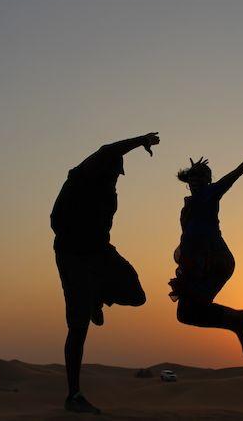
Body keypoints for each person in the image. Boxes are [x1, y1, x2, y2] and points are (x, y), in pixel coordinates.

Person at [51, 132, 160, 414]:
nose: (115, 176)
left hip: (100, 252)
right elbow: (107, 148)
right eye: (113, 170)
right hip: (72, 256)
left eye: (117, 173)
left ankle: (96, 298)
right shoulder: (86, 175)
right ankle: (73, 395)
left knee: (137, 295)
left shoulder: (108, 191)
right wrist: (141, 140)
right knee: (78, 328)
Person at [169, 132, 243, 355]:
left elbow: (237, 172)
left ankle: (241, 319)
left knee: (194, 309)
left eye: (201, 178)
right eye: (193, 178)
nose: (196, 182)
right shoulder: (189, 205)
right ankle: (237, 321)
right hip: (196, 264)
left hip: (215, 262)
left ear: (208, 181)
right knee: (185, 314)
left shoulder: (211, 193)